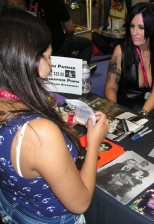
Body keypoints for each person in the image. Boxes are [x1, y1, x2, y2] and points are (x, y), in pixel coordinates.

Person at [0, 7, 108, 224]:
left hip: (15, 206)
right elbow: (80, 202)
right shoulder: (39, 134)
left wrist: (64, 119)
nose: (50, 67)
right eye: (48, 58)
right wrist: (94, 143)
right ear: (29, 62)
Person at [104, 2, 154, 117]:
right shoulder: (120, 51)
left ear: (153, 28)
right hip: (125, 105)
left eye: (141, 28)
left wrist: (143, 113)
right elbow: (111, 86)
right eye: (132, 26)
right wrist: (114, 110)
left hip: (151, 105)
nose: (134, 33)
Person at [27, 0, 94, 65]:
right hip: (55, 45)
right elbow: (70, 29)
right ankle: (80, 72)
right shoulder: (57, 1)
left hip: (33, 45)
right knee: (88, 44)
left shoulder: (29, 2)